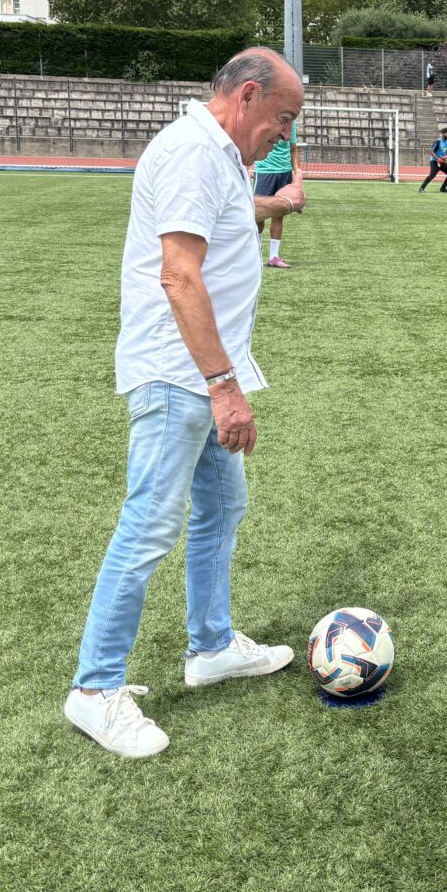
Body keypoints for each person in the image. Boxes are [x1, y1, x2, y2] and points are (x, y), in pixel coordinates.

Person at [66, 48, 306, 759]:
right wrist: (224, 386)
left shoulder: (218, 157)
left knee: (223, 507)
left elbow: (225, 222)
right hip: (181, 377)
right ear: (249, 96)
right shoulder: (194, 154)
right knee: (148, 527)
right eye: (283, 119)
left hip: (197, 377)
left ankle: (209, 647)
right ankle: (93, 690)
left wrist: (270, 204)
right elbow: (178, 275)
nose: (283, 136)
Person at [252, 125, 305, 269]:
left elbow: (293, 149)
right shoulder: (268, 120)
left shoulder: (292, 123)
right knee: (258, 215)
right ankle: (255, 254)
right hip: (264, 171)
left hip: (285, 172)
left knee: (278, 215)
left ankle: (273, 257)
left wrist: (297, 175)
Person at [420, 126, 447, 192]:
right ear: (443, 133)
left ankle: (443, 188)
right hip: (434, 161)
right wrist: (438, 158)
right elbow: (431, 151)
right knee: (432, 176)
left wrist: (446, 156)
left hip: (442, 162)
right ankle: (422, 188)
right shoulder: (438, 142)